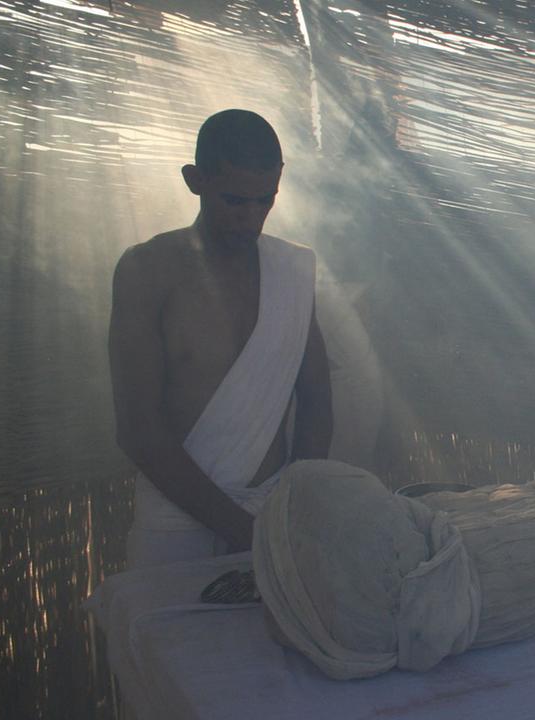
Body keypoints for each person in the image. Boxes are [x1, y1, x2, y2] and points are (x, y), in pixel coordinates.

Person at [108, 109, 333, 568]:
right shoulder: (148, 271)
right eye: (235, 201)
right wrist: (239, 530)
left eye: (265, 200)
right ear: (195, 180)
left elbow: (316, 398)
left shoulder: (290, 271)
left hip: (272, 512)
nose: (252, 218)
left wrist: (290, 507)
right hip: (175, 525)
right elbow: (138, 428)